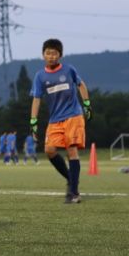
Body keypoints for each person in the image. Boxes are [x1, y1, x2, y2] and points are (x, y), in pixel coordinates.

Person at [30, 38, 91, 204]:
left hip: (73, 115)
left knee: (71, 150)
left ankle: (74, 192)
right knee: (49, 150)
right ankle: (71, 180)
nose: (51, 56)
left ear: (60, 55)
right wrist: (33, 121)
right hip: (55, 119)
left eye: (54, 53)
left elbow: (81, 85)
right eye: (48, 53)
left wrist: (86, 104)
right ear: (43, 55)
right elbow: (36, 99)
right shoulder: (40, 76)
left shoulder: (69, 69)